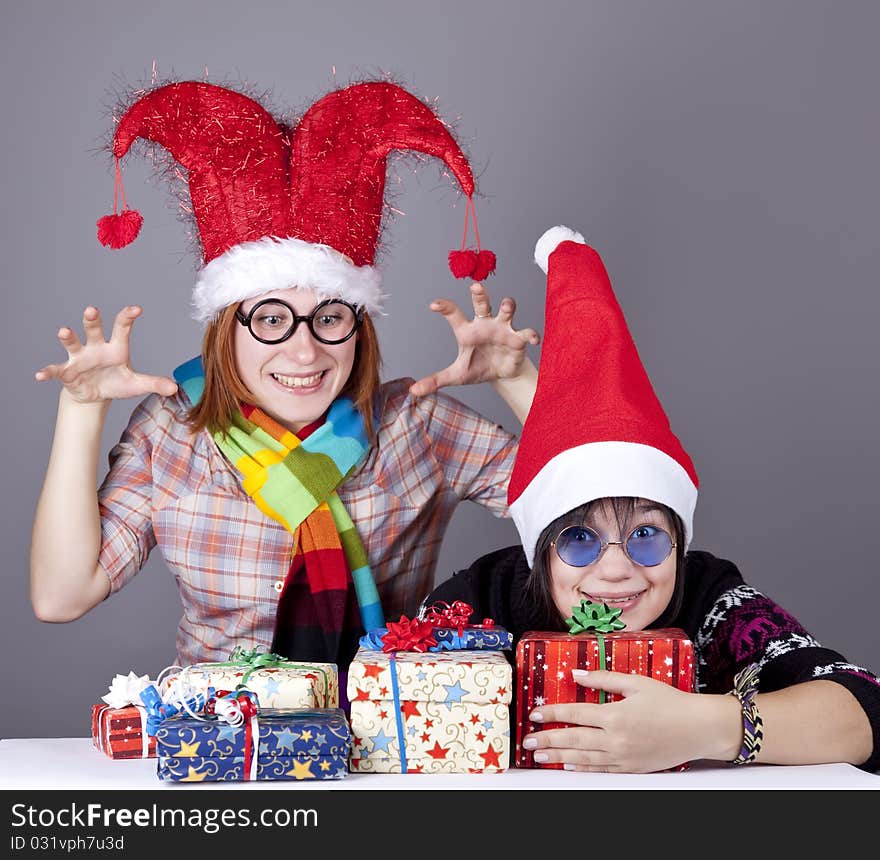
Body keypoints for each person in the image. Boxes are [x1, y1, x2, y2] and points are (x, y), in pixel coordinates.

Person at [29, 79, 539, 676]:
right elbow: (61, 597)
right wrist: (82, 411)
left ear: (359, 327)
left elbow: (586, 515)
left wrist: (519, 380)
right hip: (220, 742)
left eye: (329, 317)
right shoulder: (172, 431)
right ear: (227, 328)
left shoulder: (415, 422)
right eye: (271, 318)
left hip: (378, 738)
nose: (304, 351)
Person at [428, 227, 880, 773]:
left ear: (679, 541)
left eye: (645, 537)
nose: (617, 571)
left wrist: (709, 726)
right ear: (539, 548)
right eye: (578, 539)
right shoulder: (482, 599)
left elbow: (865, 710)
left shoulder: (708, 598)